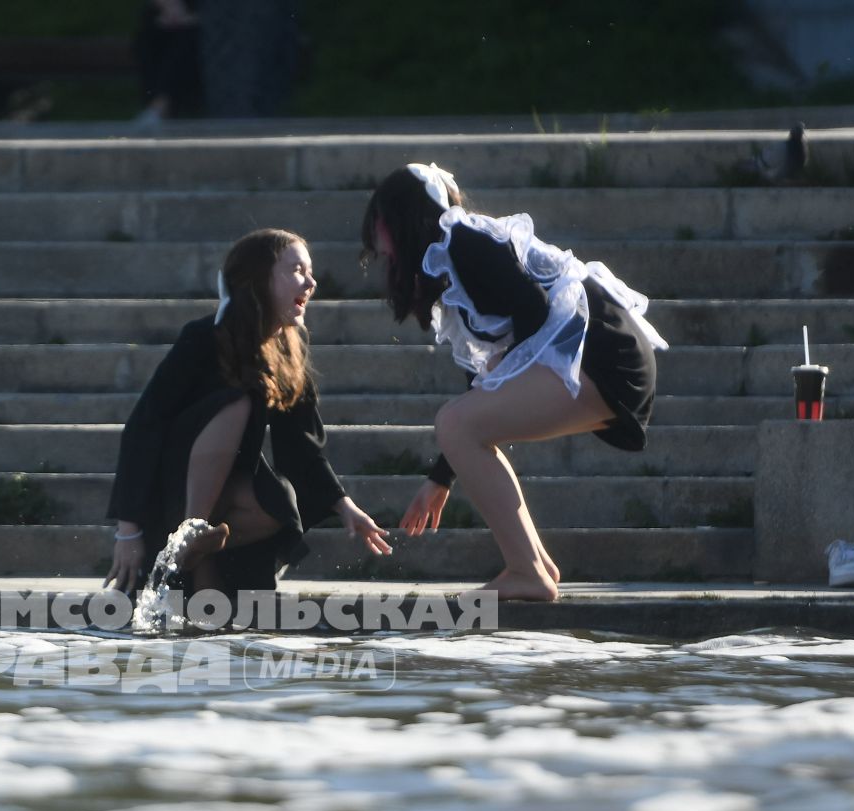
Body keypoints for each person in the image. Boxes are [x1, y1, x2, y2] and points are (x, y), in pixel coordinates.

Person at [360, 163, 669, 601]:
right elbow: (481, 389)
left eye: (379, 224)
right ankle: (536, 564)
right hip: (600, 361)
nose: (377, 243)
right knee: (460, 425)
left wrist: (505, 378)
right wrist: (441, 478)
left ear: (400, 219)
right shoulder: (455, 263)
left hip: (606, 359)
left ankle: (527, 571)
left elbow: (535, 309)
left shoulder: (463, 242)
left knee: (456, 423)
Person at [104, 228, 391, 599]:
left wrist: (344, 505)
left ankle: (199, 556)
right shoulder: (204, 336)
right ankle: (191, 533)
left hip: (226, 490)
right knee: (237, 400)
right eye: (297, 270)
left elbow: (301, 441)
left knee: (278, 507)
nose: (312, 281)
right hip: (170, 488)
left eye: (310, 271)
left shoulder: (290, 349)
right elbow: (145, 424)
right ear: (257, 279)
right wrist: (128, 531)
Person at [133, 0, 202, 125]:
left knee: (185, 42)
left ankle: (158, 107)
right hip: (167, 21)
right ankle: (156, 106)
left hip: (206, 28)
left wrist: (190, 17)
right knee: (149, 39)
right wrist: (168, 6)